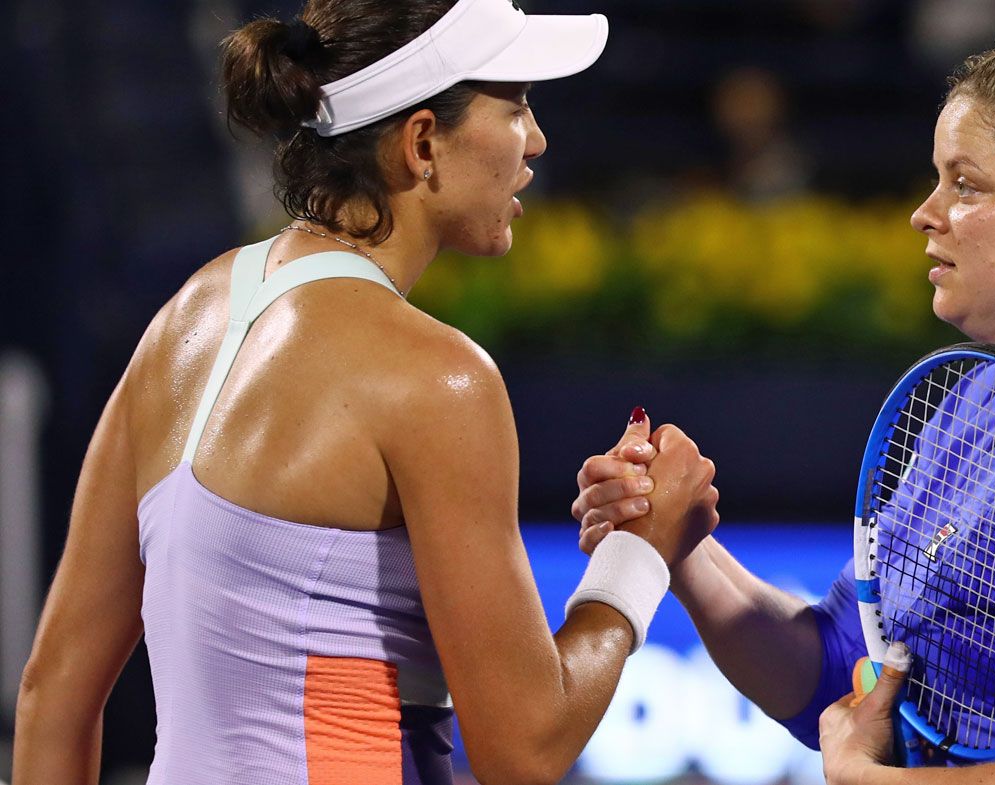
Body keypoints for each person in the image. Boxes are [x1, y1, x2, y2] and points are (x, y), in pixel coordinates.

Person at [13, 1, 719, 783]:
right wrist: (637, 556)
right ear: (422, 143)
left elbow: (54, 696)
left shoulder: (184, 321)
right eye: (515, 106)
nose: (537, 140)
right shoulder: (438, 380)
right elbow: (525, 747)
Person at [573, 40, 995, 785]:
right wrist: (676, 545)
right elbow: (843, 669)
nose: (924, 214)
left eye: (966, 185)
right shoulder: (978, 396)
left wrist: (878, 782)